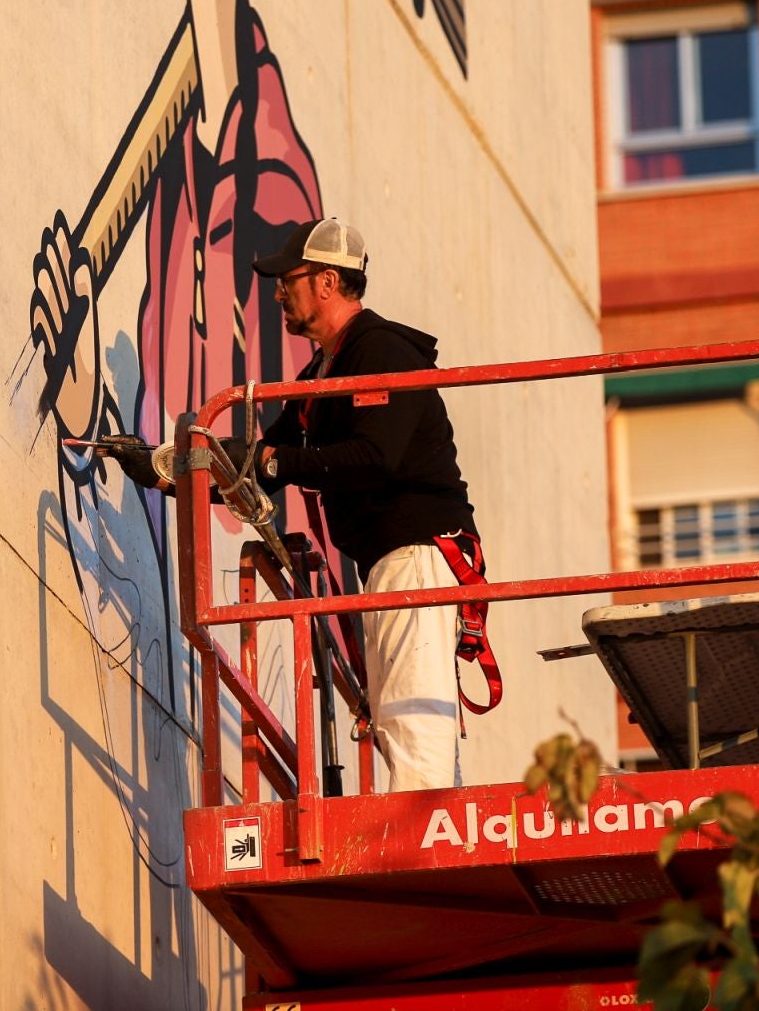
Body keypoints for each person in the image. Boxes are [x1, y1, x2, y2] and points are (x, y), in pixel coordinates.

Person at [114, 218, 484, 792]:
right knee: (398, 721)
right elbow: (260, 467)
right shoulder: (322, 374)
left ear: (329, 283)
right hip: (392, 559)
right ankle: (428, 830)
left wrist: (267, 461)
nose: (278, 291)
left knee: (413, 723)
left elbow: (372, 456)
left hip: (420, 553)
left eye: (290, 279)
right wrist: (164, 471)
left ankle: (426, 840)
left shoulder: (381, 349)